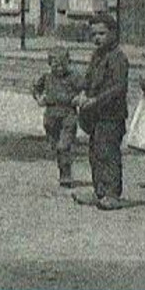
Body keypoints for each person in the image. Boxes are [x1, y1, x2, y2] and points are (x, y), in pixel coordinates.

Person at [73, 13, 129, 210]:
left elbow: (118, 88)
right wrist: (81, 92)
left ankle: (113, 194)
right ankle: (100, 191)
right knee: (95, 153)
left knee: (108, 153)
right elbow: (88, 79)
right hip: (95, 116)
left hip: (111, 115)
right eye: (94, 34)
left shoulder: (117, 58)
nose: (97, 38)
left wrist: (95, 100)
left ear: (113, 34)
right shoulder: (97, 56)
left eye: (102, 33)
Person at [30, 47, 83, 187]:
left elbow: (85, 88)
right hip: (51, 115)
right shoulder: (46, 77)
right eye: (55, 65)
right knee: (56, 145)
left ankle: (66, 175)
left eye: (62, 65)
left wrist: (79, 97)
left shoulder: (73, 77)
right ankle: (61, 166)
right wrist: (39, 98)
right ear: (49, 64)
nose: (59, 68)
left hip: (68, 114)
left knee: (63, 146)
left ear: (68, 63)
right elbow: (35, 88)